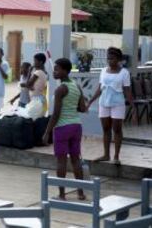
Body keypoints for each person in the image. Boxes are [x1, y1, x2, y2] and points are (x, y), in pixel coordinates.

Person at [42, 58, 87, 201]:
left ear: (65, 71)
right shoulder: (76, 86)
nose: (54, 71)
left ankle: (62, 194)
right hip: (76, 126)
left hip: (62, 127)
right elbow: (82, 108)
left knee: (61, 161)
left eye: (57, 69)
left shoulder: (61, 89)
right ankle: (80, 193)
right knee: (75, 159)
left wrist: (47, 131)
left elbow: (56, 114)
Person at [87, 47, 134, 165]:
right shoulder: (103, 71)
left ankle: (116, 156)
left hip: (118, 103)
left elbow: (127, 90)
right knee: (106, 129)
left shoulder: (124, 73)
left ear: (118, 59)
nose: (109, 61)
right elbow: (99, 89)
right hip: (103, 102)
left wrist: (133, 107)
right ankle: (106, 154)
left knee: (117, 129)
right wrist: (90, 101)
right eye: (108, 58)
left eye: (112, 58)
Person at [25, 53, 48, 120]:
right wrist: (29, 86)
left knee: (31, 121)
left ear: (40, 62)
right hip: (40, 100)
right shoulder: (43, 72)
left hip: (37, 101)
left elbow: (27, 84)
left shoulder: (38, 72)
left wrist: (29, 71)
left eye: (35, 61)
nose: (33, 63)